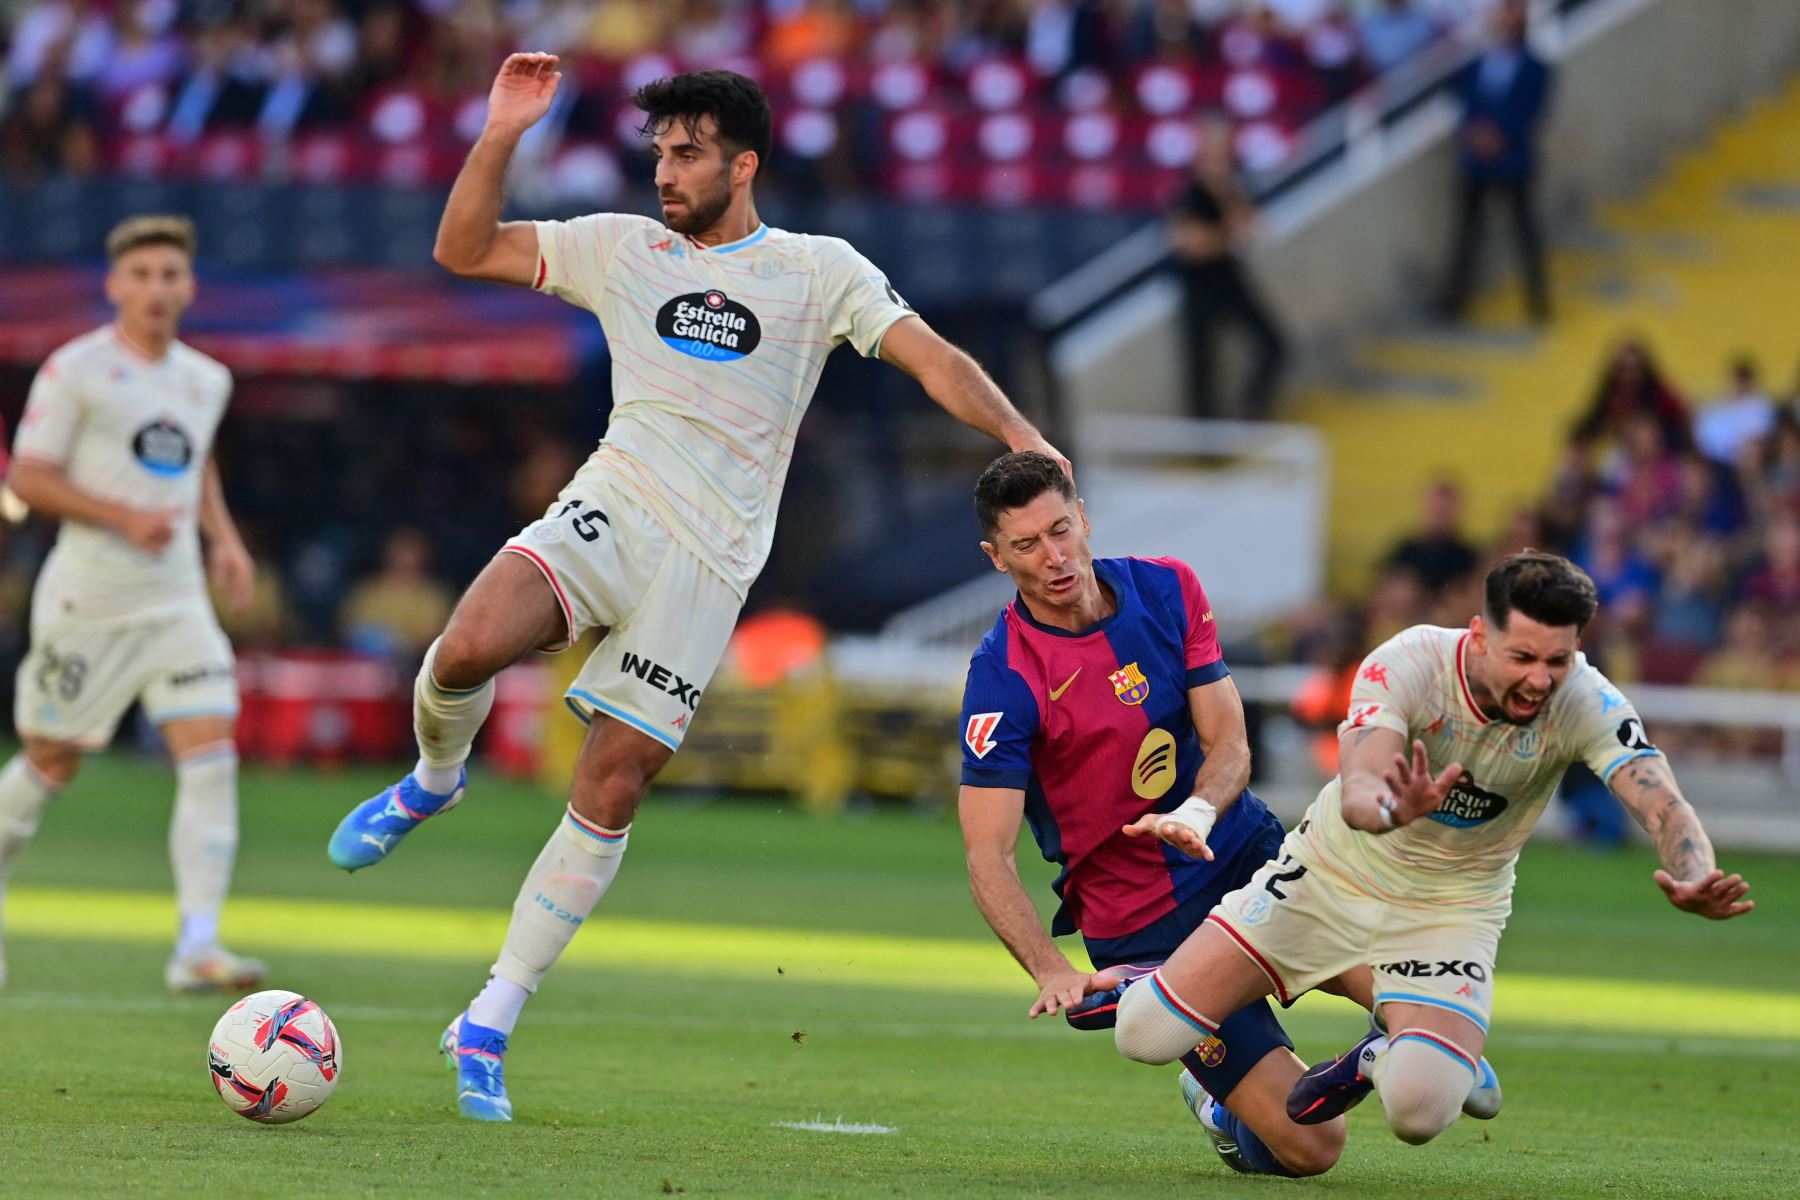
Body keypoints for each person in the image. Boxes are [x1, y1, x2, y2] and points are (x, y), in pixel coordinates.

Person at [325, 57, 1065, 1123]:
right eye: (659, 152)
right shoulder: (623, 247)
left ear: (744, 162)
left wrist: (1021, 433)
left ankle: (490, 1016)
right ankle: (433, 782)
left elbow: (931, 357)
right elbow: (462, 249)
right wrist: (499, 136)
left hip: (709, 566)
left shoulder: (818, 271)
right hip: (613, 507)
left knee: (613, 779)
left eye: (687, 154)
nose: (665, 171)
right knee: (465, 650)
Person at [954, 451, 1498, 1178]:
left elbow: (1230, 743)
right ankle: (1218, 1103)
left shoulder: (1168, 588)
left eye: (1060, 530)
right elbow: (986, 854)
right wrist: (1049, 968)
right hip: (1143, 924)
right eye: (1026, 545)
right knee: (1311, 1149)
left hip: (1248, 859)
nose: (1054, 557)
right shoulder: (1004, 676)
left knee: (1418, 1015)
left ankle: (1384, 1048)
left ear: (1084, 518)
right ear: (997, 557)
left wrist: (1201, 811)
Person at [1109, 551, 1753, 1152]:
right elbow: (1360, 787)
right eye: (1522, 656)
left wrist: (1694, 871)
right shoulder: (1409, 662)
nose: (1539, 679)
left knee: (1419, 1113)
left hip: (1452, 910)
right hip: (1329, 876)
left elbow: (1661, 800)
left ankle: (1377, 1053)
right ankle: (1170, 999)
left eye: (1557, 661)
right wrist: (1393, 808)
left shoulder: (1588, 701)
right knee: (1143, 1035)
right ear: (1479, 634)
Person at [0, 215, 261, 993]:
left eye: (168, 274)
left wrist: (224, 539)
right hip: (90, 600)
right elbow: (29, 480)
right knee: (52, 760)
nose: (155, 288)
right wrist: (124, 518)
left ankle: (198, 946)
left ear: (189, 286)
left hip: (177, 602)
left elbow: (196, 465)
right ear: (115, 285)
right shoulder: (75, 370)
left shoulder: (204, 379)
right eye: (140, 274)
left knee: (211, 753)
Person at [1438, 0, 1552, 323]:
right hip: (1476, 160)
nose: (1507, 17)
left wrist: (1498, 135)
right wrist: (1475, 132)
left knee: (1524, 231)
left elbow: (1530, 111)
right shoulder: (1476, 62)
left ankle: (1538, 303)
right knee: (1468, 232)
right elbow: (1463, 100)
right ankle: (1453, 301)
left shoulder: (1536, 66)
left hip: (1512, 159)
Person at [1169, 120, 1285, 420]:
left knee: (1273, 343)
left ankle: (1252, 407)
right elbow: (1190, 245)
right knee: (1202, 368)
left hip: (1228, 278)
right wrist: (1227, 235)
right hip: (1197, 285)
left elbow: (1253, 231)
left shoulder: (1233, 189)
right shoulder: (1189, 192)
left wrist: (1226, 196)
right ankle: (1205, 443)